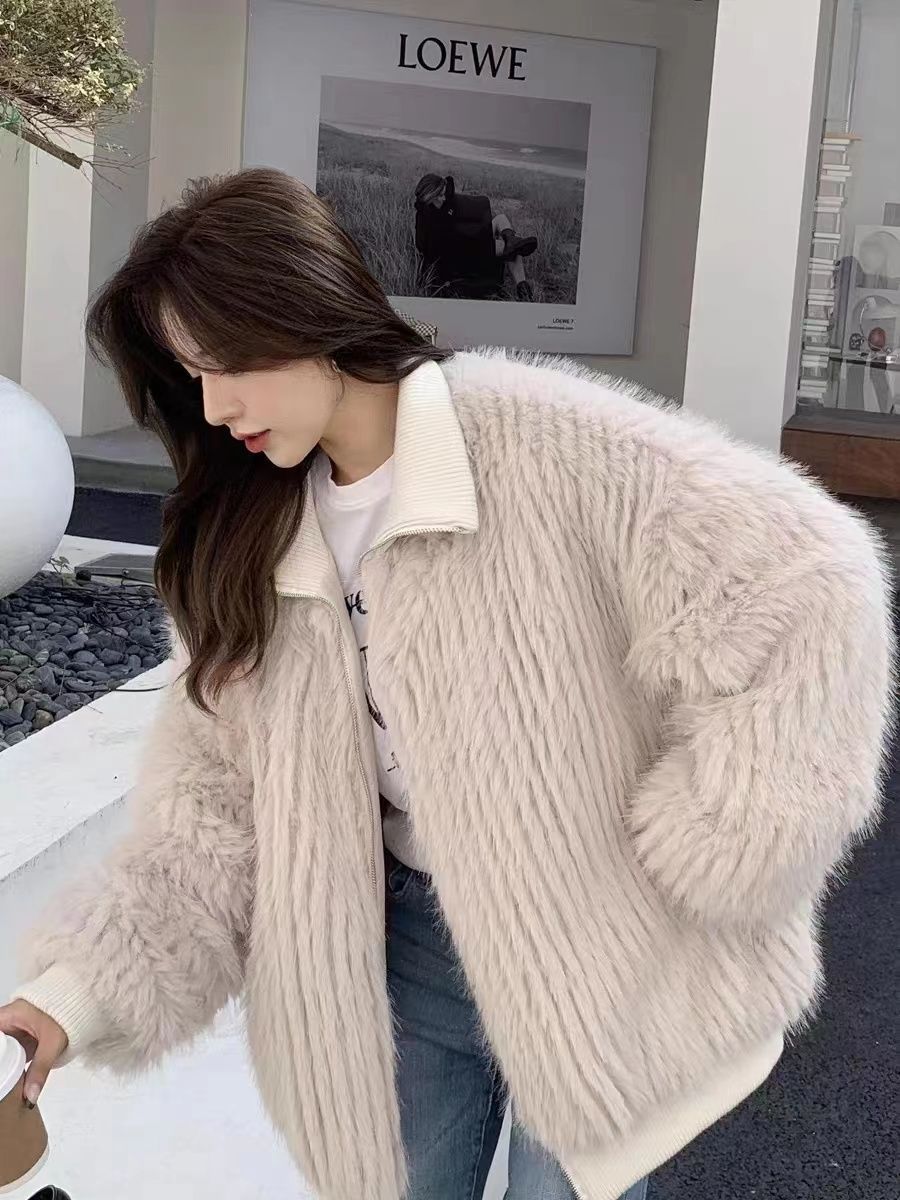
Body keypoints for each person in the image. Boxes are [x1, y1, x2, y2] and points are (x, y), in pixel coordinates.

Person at [0, 168, 893, 1200]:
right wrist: (74, 994)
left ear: (306, 309)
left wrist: (720, 838)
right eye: (192, 376)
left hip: (592, 937)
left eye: (229, 362)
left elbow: (806, 581)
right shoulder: (243, 540)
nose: (216, 405)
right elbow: (211, 820)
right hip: (395, 954)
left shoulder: (543, 443)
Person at [414, 172, 537, 301]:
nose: (444, 198)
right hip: (464, 253)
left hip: (469, 240)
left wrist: (478, 229)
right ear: (430, 197)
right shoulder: (429, 221)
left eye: (444, 194)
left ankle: (512, 240)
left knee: (501, 219)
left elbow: (465, 215)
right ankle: (524, 292)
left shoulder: (444, 205)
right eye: (439, 195)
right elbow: (433, 248)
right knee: (508, 247)